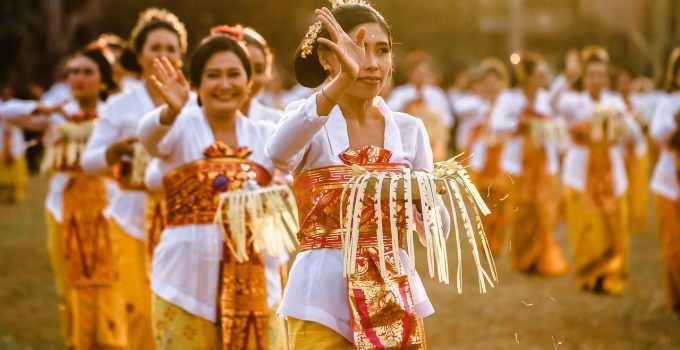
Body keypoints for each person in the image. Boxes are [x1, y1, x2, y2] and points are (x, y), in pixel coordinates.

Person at [266, 3, 451, 348]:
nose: (371, 63)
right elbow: (277, 153)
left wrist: (423, 194)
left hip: (393, 293)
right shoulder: (309, 119)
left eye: (382, 50)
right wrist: (340, 83)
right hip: (319, 296)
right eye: (357, 48)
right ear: (327, 57)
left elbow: (435, 234)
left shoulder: (410, 130)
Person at [138, 26, 290, 349]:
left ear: (249, 83)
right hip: (183, 287)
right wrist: (171, 110)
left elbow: (290, 179)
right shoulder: (179, 126)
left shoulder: (267, 133)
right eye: (213, 75)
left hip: (258, 285)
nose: (224, 85)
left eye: (234, 74)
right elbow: (148, 140)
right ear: (197, 84)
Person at [81, 8, 189, 349]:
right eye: (155, 48)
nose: (163, 55)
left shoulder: (195, 101)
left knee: (182, 305)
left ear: (182, 56)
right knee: (140, 310)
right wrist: (113, 153)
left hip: (184, 219)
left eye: (171, 48)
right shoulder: (119, 104)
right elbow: (89, 162)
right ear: (139, 54)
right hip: (130, 219)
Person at [556, 46, 643, 295]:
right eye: (591, 74)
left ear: (606, 78)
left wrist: (620, 118)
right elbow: (554, 102)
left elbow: (635, 134)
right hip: (579, 173)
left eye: (601, 74)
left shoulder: (615, 102)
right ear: (584, 78)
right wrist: (567, 76)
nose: (596, 79)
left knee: (613, 225)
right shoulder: (573, 101)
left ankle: (612, 276)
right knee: (585, 227)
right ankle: (588, 275)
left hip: (611, 172)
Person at [488, 52, 568, 276]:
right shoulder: (509, 98)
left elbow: (558, 122)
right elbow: (496, 124)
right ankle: (523, 259)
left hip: (544, 163)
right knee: (522, 211)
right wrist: (520, 123)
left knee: (544, 211)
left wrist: (545, 125)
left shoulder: (546, 98)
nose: (545, 77)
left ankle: (542, 258)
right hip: (517, 163)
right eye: (540, 74)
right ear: (528, 77)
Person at [463, 58, 511, 256]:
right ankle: (486, 241)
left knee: (502, 201)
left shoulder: (508, 104)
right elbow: (460, 109)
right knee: (482, 201)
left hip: (502, 158)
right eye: (487, 81)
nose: (491, 85)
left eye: (495, 80)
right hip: (481, 160)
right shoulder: (474, 104)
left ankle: (497, 241)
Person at [650, 47, 680, 315]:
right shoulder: (668, 103)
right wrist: (677, 119)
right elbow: (658, 133)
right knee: (673, 245)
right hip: (669, 184)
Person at [387, 49, 453, 161]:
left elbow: (448, 120)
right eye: (416, 69)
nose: (421, 72)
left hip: (434, 145)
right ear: (409, 72)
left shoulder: (437, 94)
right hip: (406, 143)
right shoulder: (400, 94)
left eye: (425, 70)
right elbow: (389, 116)